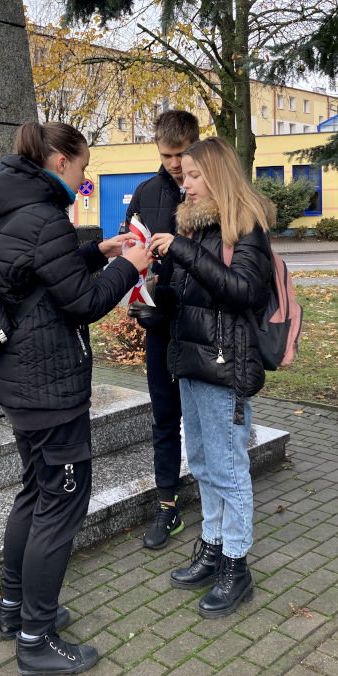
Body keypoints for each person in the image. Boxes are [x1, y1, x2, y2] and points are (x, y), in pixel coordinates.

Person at [0, 120, 149, 676]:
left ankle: (13, 611)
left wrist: (97, 250)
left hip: (20, 382)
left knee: (36, 491)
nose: (86, 173)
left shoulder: (12, 208)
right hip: (49, 389)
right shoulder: (46, 216)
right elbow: (81, 304)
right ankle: (36, 638)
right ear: (58, 161)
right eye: (83, 164)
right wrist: (130, 265)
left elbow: (45, 280)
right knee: (61, 504)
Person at [150, 137, 274, 618]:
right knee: (201, 462)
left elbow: (242, 290)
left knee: (228, 468)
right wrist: (157, 306)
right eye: (183, 174)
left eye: (195, 174)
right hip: (191, 361)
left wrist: (182, 250)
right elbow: (193, 297)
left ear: (219, 175)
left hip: (225, 367)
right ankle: (212, 546)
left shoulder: (246, 228)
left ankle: (236, 566)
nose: (185, 181)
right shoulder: (197, 228)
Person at [124, 109, 199, 549]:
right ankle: (167, 506)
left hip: (203, 326)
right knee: (164, 418)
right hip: (159, 325)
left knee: (208, 419)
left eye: (182, 154)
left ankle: (218, 500)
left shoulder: (212, 191)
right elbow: (128, 247)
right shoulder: (145, 192)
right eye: (167, 154)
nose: (175, 163)